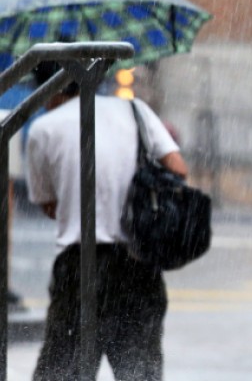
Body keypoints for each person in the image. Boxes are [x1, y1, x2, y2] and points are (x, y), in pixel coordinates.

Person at [25, 60, 189, 380]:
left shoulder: (44, 129)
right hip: (138, 263)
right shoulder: (136, 111)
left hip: (81, 267)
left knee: (62, 372)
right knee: (139, 373)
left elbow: (48, 205)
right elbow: (178, 169)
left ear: (47, 89)